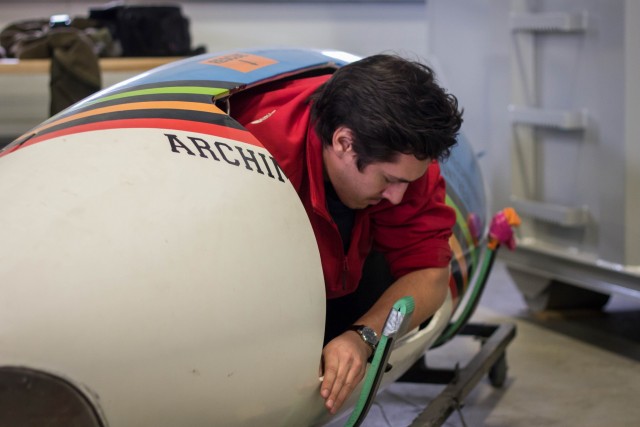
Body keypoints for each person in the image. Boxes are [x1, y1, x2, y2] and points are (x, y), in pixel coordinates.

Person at [231, 53, 463, 415]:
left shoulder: (403, 155)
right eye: (389, 180)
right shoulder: (251, 158)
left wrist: (363, 337)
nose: (398, 196)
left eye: (407, 181)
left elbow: (431, 276)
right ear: (343, 142)